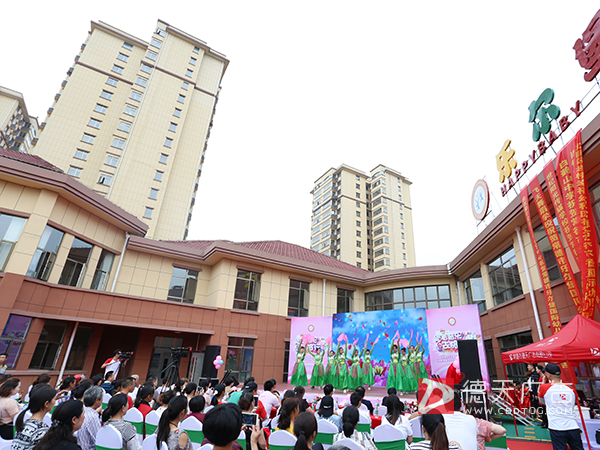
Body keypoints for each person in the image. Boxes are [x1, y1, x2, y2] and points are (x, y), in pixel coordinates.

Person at [538, 363, 584, 450]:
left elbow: (541, 402)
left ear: (548, 375)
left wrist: (543, 382)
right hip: (573, 426)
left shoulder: (544, 387)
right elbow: (573, 402)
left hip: (557, 427)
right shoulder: (570, 388)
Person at [12, 384, 57, 450]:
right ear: (46, 404)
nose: (55, 402)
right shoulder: (42, 430)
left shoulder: (24, 423)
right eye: (55, 399)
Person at [77, 386, 103, 450]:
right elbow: (97, 439)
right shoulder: (92, 416)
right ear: (97, 400)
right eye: (102, 398)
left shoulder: (80, 410)